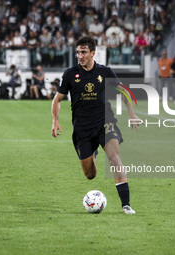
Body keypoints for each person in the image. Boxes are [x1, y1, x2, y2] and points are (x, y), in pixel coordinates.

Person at [51, 37, 140, 214]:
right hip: (82, 128)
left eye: (83, 52)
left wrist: (131, 113)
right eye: (78, 52)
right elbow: (57, 99)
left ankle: (126, 205)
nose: (80, 56)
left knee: (115, 159)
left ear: (93, 53)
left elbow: (125, 92)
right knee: (90, 175)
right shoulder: (70, 74)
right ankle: (93, 152)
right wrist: (55, 120)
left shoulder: (105, 72)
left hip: (105, 122)